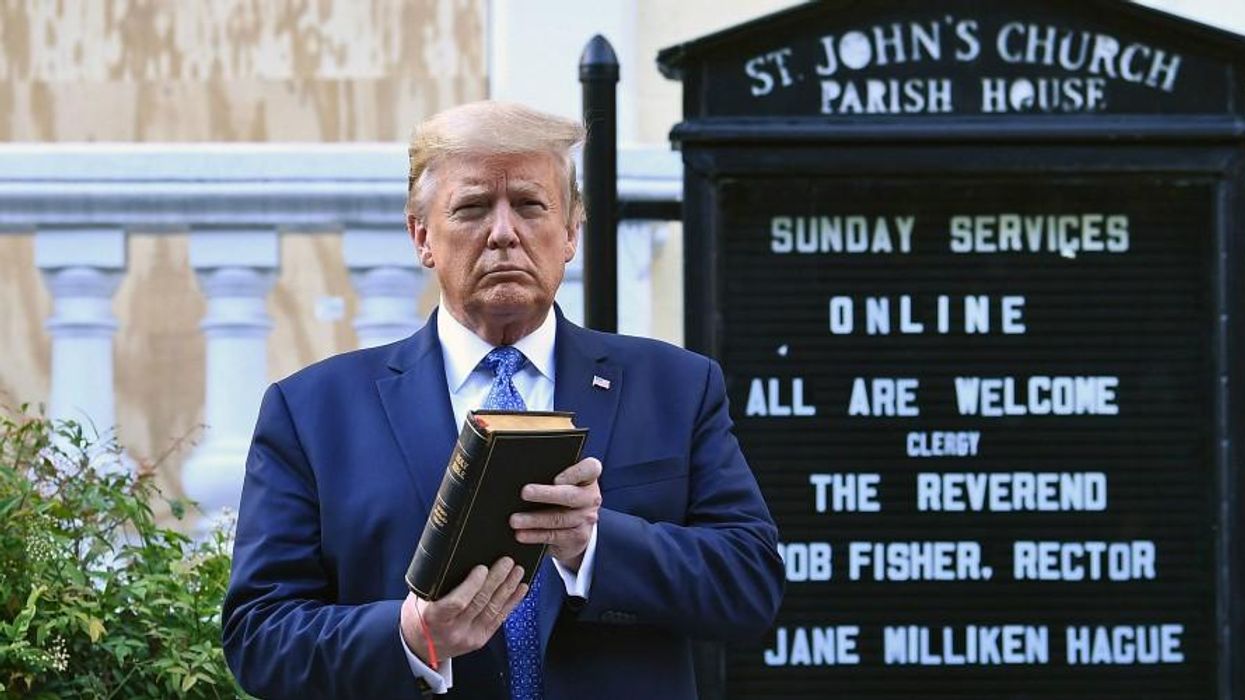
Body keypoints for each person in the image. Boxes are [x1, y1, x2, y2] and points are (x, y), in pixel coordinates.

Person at [222, 100, 783, 699]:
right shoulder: (313, 412)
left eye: (529, 204)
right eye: (470, 208)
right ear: (421, 236)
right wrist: (411, 636)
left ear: (570, 232)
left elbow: (750, 584)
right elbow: (259, 637)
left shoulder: (675, 386)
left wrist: (592, 543)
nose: (503, 232)